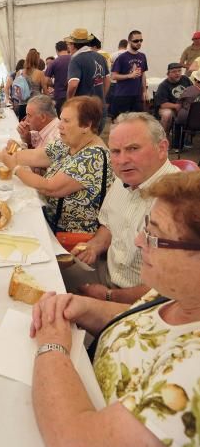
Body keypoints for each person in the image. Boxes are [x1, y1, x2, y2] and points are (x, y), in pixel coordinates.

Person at [30, 171, 200, 447]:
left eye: (153, 235)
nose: (139, 242)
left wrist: (52, 345)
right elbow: (144, 325)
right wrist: (82, 307)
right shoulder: (179, 295)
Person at [64, 112, 179, 304]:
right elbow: (108, 224)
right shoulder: (124, 179)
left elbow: (168, 289)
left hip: (144, 303)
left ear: (162, 148)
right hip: (107, 274)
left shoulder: (180, 201)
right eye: (116, 152)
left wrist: (109, 296)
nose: (122, 160)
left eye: (133, 148)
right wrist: (95, 246)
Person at [0, 96, 113, 234]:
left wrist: (15, 167)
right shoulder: (70, 142)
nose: (59, 125)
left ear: (86, 125)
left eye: (66, 121)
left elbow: (50, 188)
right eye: (61, 119)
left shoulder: (93, 156)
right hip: (48, 218)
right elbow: (37, 156)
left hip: (66, 234)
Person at [65, 28, 110, 107]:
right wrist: (102, 98)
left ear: (73, 45)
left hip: (83, 107)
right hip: (99, 106)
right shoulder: (100, 57)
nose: (68, 47)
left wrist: (69, 101)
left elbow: (73, 85)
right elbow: (107, 80)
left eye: (69, 44)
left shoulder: (76, 60)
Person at [111, 30, 148, 117]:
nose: (139, 43)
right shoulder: (122, 57)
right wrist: (129, 75)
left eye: (141, 40)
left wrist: (144, 91)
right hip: (123, 95)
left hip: (137, 95)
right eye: (136, 41)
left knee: (136, 122)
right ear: (129, 42)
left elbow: (143, 74)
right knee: (120, 122)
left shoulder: (142, 56)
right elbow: (113, 76)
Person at [154, 62, 192, 140]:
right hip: (170, 107)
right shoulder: (163, 85)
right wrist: (176, 106)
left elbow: (192, 90)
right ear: (168, 74)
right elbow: (162, 104)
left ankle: (188, 136)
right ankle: (164, 137)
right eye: (174, 72)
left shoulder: (185, 79)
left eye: (179, 71)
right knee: (167, 114)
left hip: (185, 106)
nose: (177, 73)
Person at [44, 41, 70, 116]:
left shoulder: (54, 63)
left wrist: (53, 85)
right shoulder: (75, 59)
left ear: (57, 50)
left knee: (61, 118)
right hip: (74, 95)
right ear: (67, 48)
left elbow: (46, 80)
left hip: (59, 95)